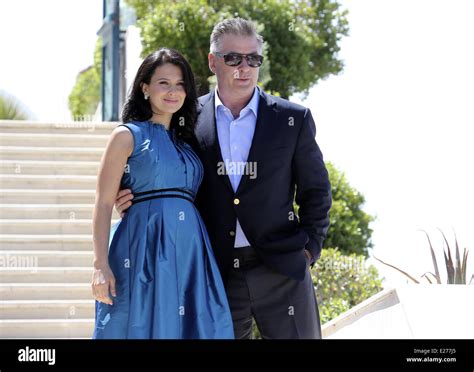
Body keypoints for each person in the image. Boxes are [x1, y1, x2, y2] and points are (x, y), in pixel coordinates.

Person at [115, 18, 332, 339]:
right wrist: (131, 192)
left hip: (282, 269)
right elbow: (155, 160)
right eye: (233, 58)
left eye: (253, 59)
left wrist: (310, 248)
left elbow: (316, 190)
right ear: (213, 62)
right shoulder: (185, 119)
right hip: (213, 272)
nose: (244, 68)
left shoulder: (292, 119)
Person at [91, 48, 234, 339]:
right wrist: (100, 266)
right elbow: (104, 203)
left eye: (180, 84)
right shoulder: (126, 136)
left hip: (191, 251)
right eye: (164, 83)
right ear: (145, 87)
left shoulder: (187, 142)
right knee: (135, 323)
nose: (173, 92)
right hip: (141, 247)